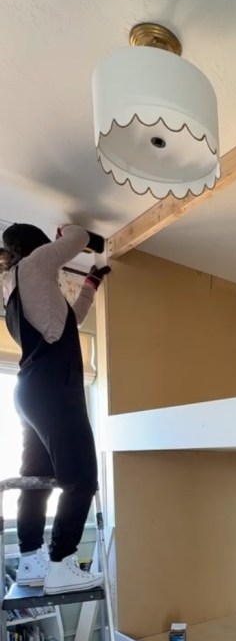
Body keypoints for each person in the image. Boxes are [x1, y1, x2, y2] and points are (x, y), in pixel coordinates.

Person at [0, 223, 110, 594]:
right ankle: (62, 562)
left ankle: (31, 560)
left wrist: (90, 287)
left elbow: (67, 324)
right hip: (52, 389)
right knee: (81, 478)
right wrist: (70, 231)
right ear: (37, 247)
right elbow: (78, 237)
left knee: (37, 477)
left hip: (31, 390)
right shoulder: (33, 266)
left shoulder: (13, 285)